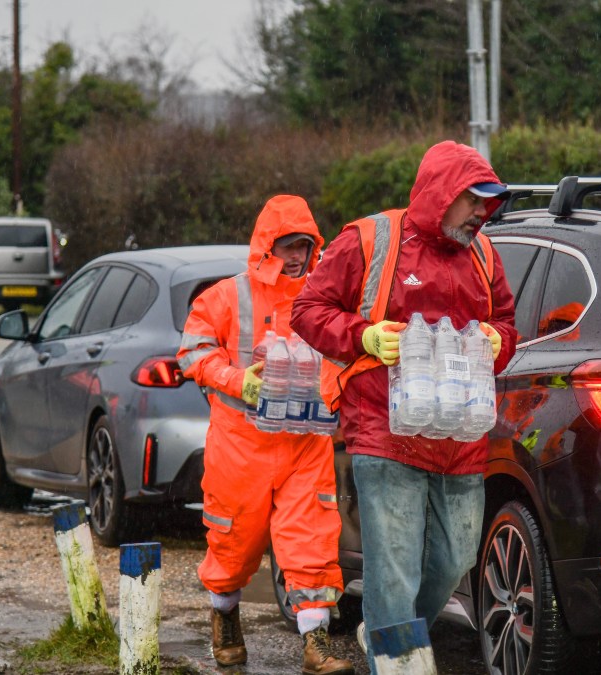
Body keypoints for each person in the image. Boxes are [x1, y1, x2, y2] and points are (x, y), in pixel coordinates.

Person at [291, 140, 517, 670]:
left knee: (455, 560)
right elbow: (308, 309)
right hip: (384, 431)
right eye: (474, 200)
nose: (482, 213)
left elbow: (507, 325)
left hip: (460, 437)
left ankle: (387, 634)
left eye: (489, 202)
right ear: (442, 195)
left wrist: (496, 341)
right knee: (394, 573)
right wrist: (363, 336)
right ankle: (395, 651)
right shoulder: (370, 239)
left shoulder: (484, 254)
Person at [177, 195, 353, 675]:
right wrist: (239, 381)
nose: (296, 256)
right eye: (287, 246)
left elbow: (346, 351)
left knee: (311, 540)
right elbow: (191, 353)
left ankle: (316, 644)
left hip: (305, 441)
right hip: (240, 446)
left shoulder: (325, 296)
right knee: (233, 544)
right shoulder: (226, 296)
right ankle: (225, 617)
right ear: (265, 247)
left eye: (304, 245)